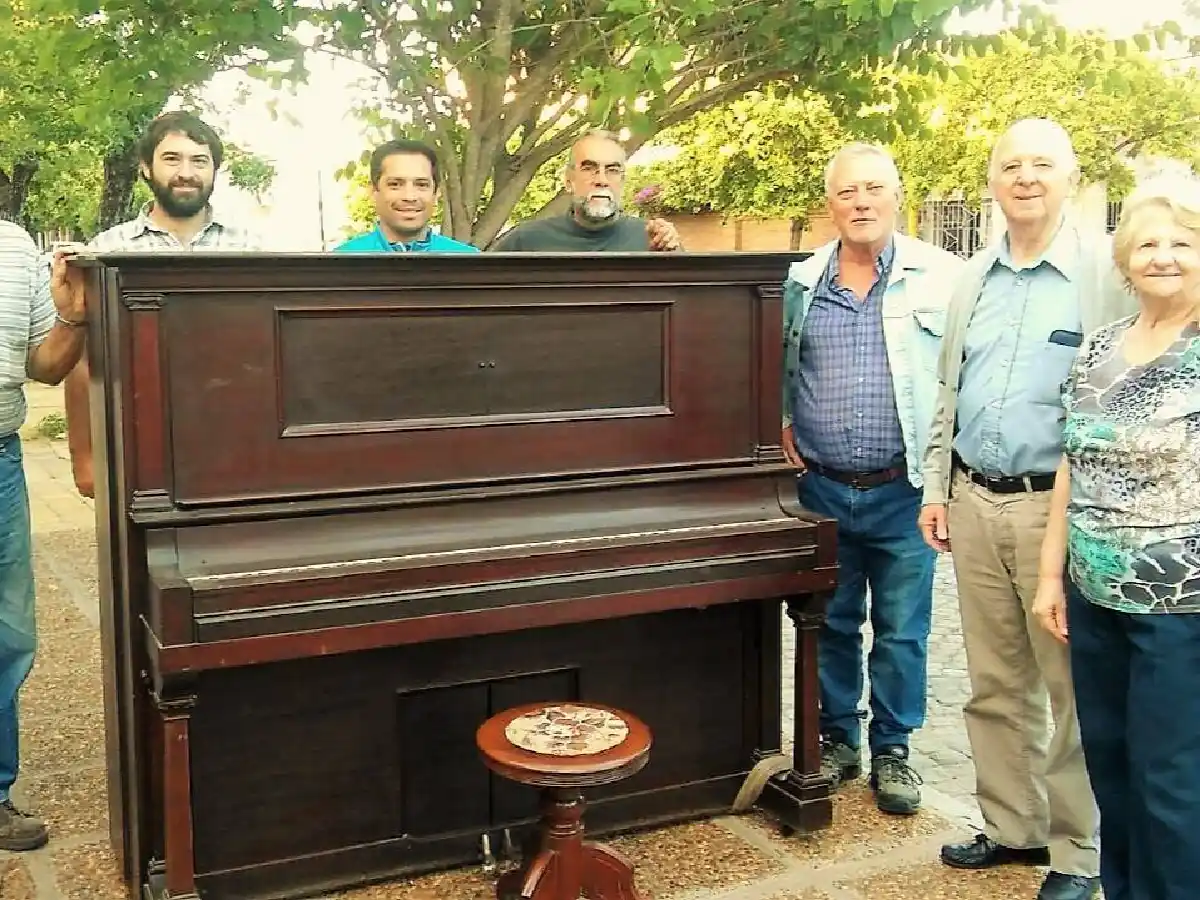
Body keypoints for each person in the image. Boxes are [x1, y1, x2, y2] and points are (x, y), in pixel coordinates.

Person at [919, 118, 1135, 900]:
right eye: (1011, 164)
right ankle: (1014, 828)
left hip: (1060, 514)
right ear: (991, 180)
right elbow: (950, 390)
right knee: (992, 681)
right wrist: (937, 489)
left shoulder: (1102, 277)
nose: (1026, 177)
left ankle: (1079, 853)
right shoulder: (973, 278)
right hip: (975, 502)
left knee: (1069, 689)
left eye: (1043, 163)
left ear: (1071, 178)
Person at [1032, 174, 1200, 900]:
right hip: (1095, 596)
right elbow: (1070, 461)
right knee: (1112, 764)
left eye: (1181, 243)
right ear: (1125, 261)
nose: (1162, 257)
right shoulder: (1099, 346)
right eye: (1148, 244)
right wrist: (1050, 577)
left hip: (1179, 606)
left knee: (1171, 780)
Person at [781, 143, 962, 815]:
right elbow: (779, 361)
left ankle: (894, 748)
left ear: (897, 196)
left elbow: (957, 380)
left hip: (903, 491)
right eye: (847, 192)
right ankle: (837, 739)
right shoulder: (801, 282)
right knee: (828, 622)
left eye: (874, 189)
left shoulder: (940, 278)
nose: (861, 202)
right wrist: (780, 416)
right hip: (823, 488)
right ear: (829, 204)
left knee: (903, 629)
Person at [63, 111, 260, 499]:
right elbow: (83, 363)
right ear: (146, 168)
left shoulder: (253, 251)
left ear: (215, 171)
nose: (186, 172)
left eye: (199, 160)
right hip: (136, 448)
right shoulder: (107, 251)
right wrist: (84, 458)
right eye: (172, 159)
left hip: (236, 443)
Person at [0, 228, 89, 850]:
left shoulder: (11, 245)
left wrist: (73, 320)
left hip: (0, 462)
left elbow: (45, 366)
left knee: (8, 637)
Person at [489, 130, 682, 252]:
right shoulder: (526, 241)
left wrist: (674, 252)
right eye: (589, 168)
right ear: (568, 180)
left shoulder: (652, 240)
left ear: (622, 181)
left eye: (612, 170)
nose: (601, 180)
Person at [334, 139, 478, 253]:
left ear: (436, 193)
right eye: (395, 184)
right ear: (373, 191)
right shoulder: (339, 264)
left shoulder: (470, 264)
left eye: (421, 185)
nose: (409, 196)